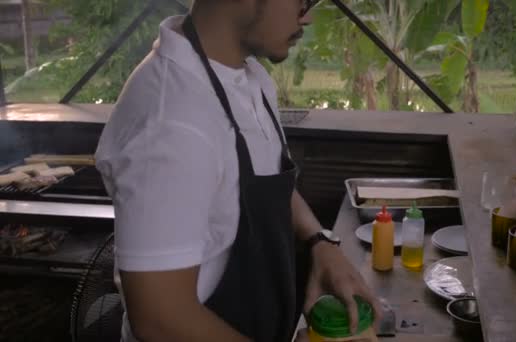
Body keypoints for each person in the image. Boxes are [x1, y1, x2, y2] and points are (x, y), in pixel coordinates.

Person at [94, 0, 380, 341]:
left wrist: (321, 242)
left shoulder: (249, 77)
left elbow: (266, 181)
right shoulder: (172, 121)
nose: (308, 16)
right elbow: (160, 318)